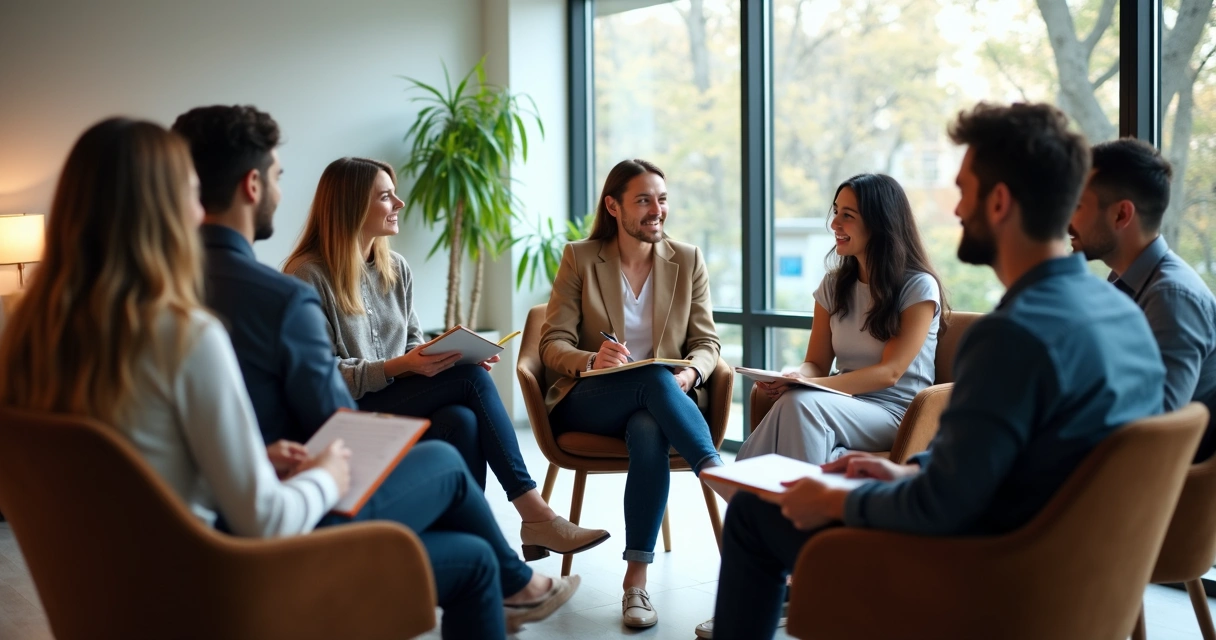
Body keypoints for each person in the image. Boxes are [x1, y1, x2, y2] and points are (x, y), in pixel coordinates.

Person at [0, 117, 577, 639]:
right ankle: (522, 569)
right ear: (183, 199)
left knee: (458, 443)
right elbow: (270, 511)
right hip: (224, 581)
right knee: (457, 494)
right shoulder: (195, 328)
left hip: (115, 588)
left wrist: (256, 456)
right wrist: (326, 470)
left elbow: (141, 456)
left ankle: (521, 565)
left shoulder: (25, 340)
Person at [706, 102, 1166, 640]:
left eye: (963, 190)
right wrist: (907, 468)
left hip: (989, 578)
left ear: (998, 202)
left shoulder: (1012, 335)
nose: (956, 209)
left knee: (755, 520)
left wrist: (833, 497)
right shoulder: (1123, 315)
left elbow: (939, 508)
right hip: (1074, 581)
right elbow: (1008, 462)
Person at [283, 157, 609, 561]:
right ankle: (534, 514)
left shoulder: (395, 269)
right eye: (386, 196)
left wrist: (445, 359)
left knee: (463, 418)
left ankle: (468, 545)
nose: (399, 203)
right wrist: (401, 367)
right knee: (470, 381)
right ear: (352, 206)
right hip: (348, 414)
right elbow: (320, 377)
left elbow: (412, 344)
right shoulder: (307, 276)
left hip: (393, 399)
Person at [540, 158, 727, 629]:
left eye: (661, 199)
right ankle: (721, 477)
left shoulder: (686, 260)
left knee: (649, 423)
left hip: (662, 400)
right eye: (643, 200)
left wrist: (692, 377)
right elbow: (551, 344)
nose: (656, 210)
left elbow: (707, 343)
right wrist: (590, 360)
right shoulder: (581, 258)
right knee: (653, 381)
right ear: (614, 206)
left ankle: (635, 584)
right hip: (592, 401)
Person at [171, 105, 355, 449]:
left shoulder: (144, 285)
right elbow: (339, 428)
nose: (279, 192)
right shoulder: (284, 300)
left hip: (179, 491)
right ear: (253, 185)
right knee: (444, 461)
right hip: (289, 485)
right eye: (277, 177)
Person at [737, 173, 944, 465]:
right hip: (843, 404)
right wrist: (797, 377)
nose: (834, 223)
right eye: (836, 211)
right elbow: (816, 363)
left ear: (879, 223)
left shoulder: (918, 287)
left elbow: (890, 372)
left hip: (899, 413)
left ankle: (742, 490)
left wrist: (812, 386)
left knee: (801, 404)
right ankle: (792, 500)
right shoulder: (833, 286)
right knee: (795, 402)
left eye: (847, 215)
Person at [1069, 138, 1216, 460]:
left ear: (1122, 215)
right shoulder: (1123, 282)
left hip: (1155, 488)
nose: (1068, 220)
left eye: (1078, 206)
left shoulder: (1171, 296)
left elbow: (1157, 426)